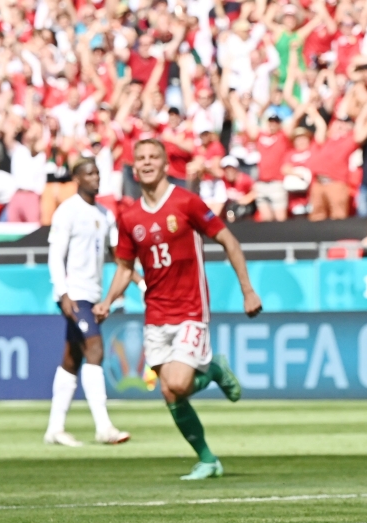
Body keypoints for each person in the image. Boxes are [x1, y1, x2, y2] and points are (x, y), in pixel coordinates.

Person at [93, 139, 263, 480]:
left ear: (166, 163)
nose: (146, 162)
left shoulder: (186, 202)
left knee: (181, 383)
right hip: (155, 313)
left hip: (190, 308)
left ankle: (214, 369)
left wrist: (248, 290)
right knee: (169, 389)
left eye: (153, 157)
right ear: (133, 167)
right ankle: (207, 459)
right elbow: (125, 268)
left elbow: (228, 240)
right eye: (140, 158)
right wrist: (108, 300)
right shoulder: (128, 217)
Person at [45, 159, 137, 447]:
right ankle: (104, 427)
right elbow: (55, 255)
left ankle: (54, 429)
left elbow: (117, 256)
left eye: (97, 173)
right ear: (76, 178)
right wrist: (62, 293)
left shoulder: (105, 214)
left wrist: (140, 280)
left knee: (72, 359)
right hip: (75, 294)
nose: (95, 178)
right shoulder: (67, 211)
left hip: (93, 294)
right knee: (95, 349)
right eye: (89, 173)